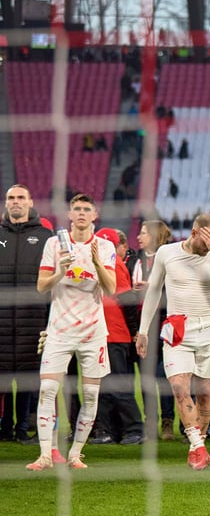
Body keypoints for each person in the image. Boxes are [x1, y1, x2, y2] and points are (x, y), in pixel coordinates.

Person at [137, 213, 210, 470]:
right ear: (194, 234)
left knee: (205, 393)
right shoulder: (167, 253)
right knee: (180, 387)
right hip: (177, 328)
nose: (208, 248)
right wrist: (143, 330)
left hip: (209, 329)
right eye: (206, 243)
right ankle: (198, 446)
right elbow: (154, 291)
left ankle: (197, 447)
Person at [27, 194, 117, 471]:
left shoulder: (105, 245)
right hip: (59, 330)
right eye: (76, 209)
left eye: (86, 209)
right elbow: (42, 286)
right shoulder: (54, 244)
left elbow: (112, 288)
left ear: (94, 215)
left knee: (90, 396)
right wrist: (61, 271)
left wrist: (98, 263)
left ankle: (76, 454)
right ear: (69, 214)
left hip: (92, 331)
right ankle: (44, 455)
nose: (80, 213)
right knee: (48, 390)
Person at [0, 185, 53, 445]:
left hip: (33, 318)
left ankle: (22, 429)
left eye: (21, 197)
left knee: (26, 377)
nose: (16, 202)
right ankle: (3, 428)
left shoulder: (46, 237)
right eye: (11, 198)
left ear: (30, 202)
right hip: (2, 318)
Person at [89, 228, 145, 445]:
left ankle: (135, 429)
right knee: (102, 386)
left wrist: (133, 332)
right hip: (99, 334)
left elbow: (127, 301)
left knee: (118, 384)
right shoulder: (100, 264)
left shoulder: (116, 265)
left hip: (115, 334)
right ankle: (109, 431)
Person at [127, 220, 177, 440]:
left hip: (164, 324)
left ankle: (168, 421)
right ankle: (150, 421)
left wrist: (155, 287)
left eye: (144, 233)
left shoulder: (171, 258)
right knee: (146, 377)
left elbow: (178, 288)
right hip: (141, 325)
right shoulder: (134, 260)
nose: (139, 236)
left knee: (163, 376)